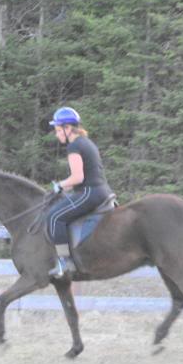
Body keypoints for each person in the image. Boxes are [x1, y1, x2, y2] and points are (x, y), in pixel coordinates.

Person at [46, 106, 113, 278]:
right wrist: (63, 187)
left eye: (58, 130)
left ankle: (64, 262)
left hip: (90, 193)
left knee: (54, 217)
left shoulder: (74, 146)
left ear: (68, 128)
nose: (57, 134)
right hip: (100, 190)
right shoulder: (86, 142)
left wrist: (60, 185)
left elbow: (77, 177)